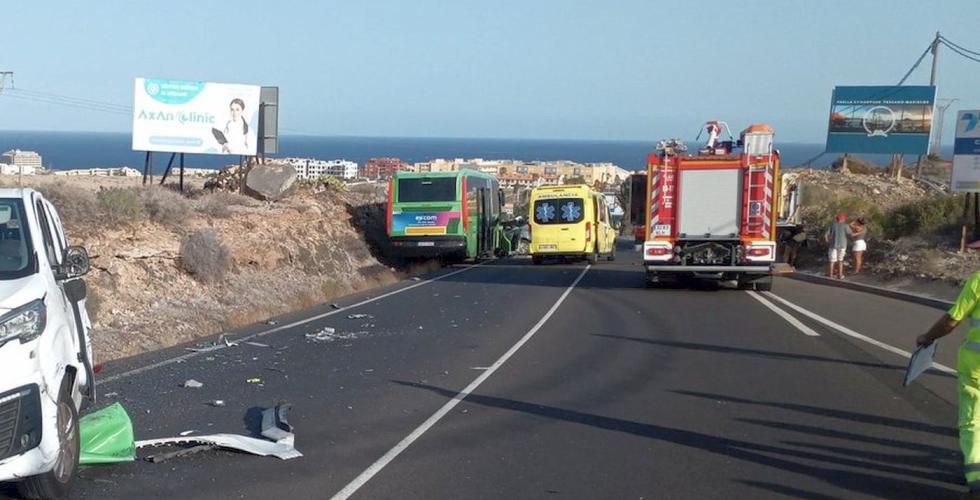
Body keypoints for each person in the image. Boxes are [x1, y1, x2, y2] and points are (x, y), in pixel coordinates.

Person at [917, 272, 980, 498]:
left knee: (973, 422)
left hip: (976, 368)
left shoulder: (978, 280)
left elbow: (953, 319)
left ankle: (976, 479)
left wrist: (928, 337)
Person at [824, 212, 849, 279]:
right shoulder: (846, 225)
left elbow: (826, 234)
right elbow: (850, 234)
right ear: (843, 219)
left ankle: (830, 275)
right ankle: (840, 275)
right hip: (842, 245)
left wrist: (827, 241)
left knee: (832, 261)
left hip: (833, 245)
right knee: (840, 260)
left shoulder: (832, 225)